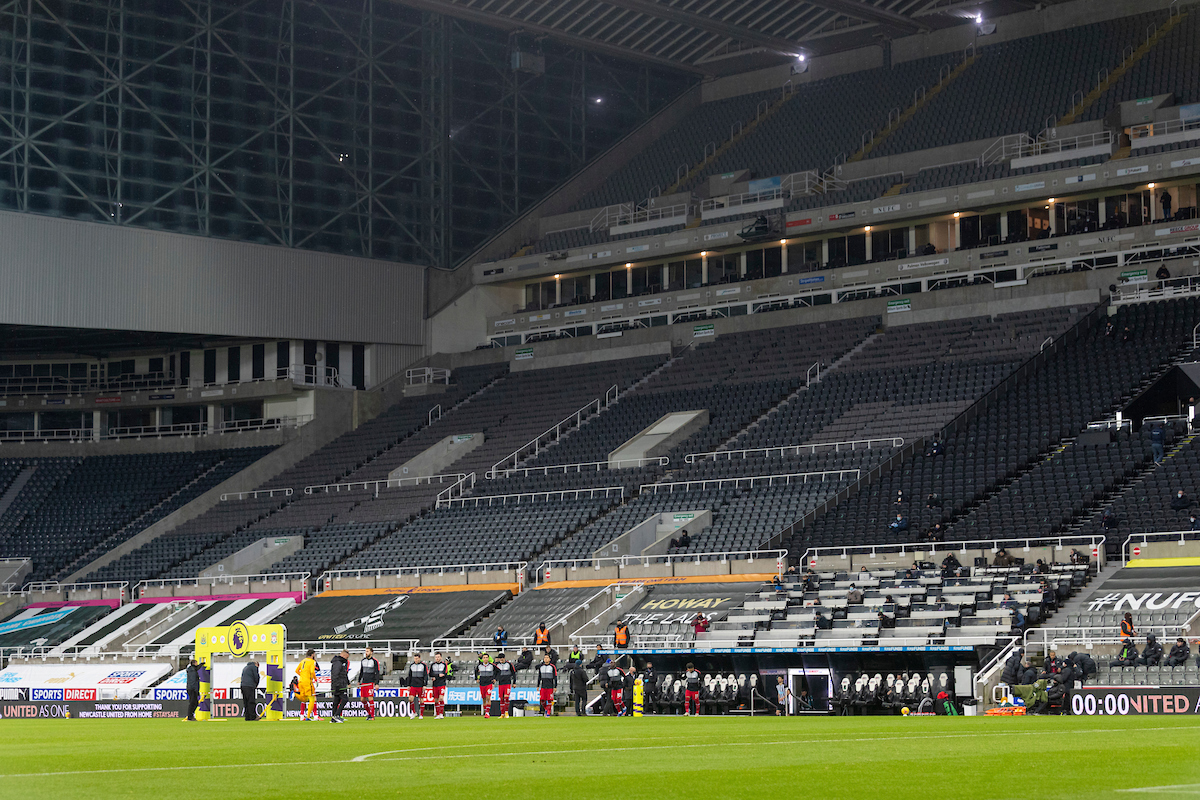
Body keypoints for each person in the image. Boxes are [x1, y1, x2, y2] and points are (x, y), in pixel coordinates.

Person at [358, 646, 383, 721]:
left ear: (371, 652)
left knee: (370, 698)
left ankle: (372, 716)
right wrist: (359, 681)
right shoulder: (363, 661)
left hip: (370, 683)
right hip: (364, 682)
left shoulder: (375, 661)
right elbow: (361, 672)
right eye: (366, 651)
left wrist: (377, 683)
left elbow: (377, 673)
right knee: (362, 699)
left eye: (367, 651)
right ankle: (369, 713)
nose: (366, 653)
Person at [404, 652, 430, 719]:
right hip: (413, 685)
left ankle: (421, 714)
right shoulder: (412, 665)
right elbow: (409, 676)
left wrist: (425, 684)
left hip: (420, 685)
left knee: (421, 700)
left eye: (417, 659)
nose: (416, 660)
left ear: (419, 658)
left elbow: (425, 675)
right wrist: (408, 685)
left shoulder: (423, 665)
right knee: (410, 699)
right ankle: (414, 712)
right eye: (415, 659)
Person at [295, 649, 318, 721]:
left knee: (304, 699)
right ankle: (308, 717)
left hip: (301, 682)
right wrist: (315, 680)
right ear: (312, 654)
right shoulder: (312, 662)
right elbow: (312, 672)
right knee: (312, 699)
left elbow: (296, 670)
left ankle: (302, 716)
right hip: (308, 682)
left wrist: (302, 675)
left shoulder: (303, 661)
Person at [430, 652, 451, 720]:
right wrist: (438, 676)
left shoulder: (444, 665)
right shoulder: (432, 665)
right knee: (436, 700)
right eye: (436, 657)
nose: (437, 658)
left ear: (441, 657)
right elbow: (430, 674)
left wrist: (436, 677)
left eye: (438, 657)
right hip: (435, 684)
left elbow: (444, 674)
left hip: (442, 684)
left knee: (441, 698)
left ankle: (441, 714)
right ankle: (437, 714)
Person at [329, 650, 349, 723]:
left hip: (339, 684)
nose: (347, 659)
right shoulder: (338, 663)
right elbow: (335, 675)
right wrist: (337, 685)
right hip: (339, 685)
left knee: (336, 701)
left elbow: (344, 674)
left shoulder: (340, 662)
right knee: (344, 699)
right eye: (346, 657)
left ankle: (334, 717)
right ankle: (336, 715)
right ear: (343, 655)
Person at [495, 652, 517, 718]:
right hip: (500, 683)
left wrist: (514, 682)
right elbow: (495, 673)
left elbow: (514, 673)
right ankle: (502, 714)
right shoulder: (497, 665)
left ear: (504, 658)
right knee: (501, 698)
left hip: (507, 683)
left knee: (506, 697)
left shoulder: (509, 664)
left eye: (502, 658)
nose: (501, 659)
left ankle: (506, 712)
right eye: (500, 658)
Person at [475, 653, 496, 719]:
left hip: (489, 683)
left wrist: (495, 679)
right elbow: (475, 672)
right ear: (482, 659)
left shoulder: (492, 665)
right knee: (484, 698)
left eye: (487, 657)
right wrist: (477, 678)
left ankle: (487, 713)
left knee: (488, 697)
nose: (485, 659)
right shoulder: (479, 666)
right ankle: (486, 711)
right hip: (482, 684)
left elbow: (498, 671)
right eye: (484, 658)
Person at [185, 657, 200, 722]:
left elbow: (196, 668)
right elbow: (193, 681)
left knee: (195, 702)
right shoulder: (193, 671)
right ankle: (190, 716)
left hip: (191, 688)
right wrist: (196, 690)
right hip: (192, 689)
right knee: (193, 703)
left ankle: (190, 716)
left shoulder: (191, 670)